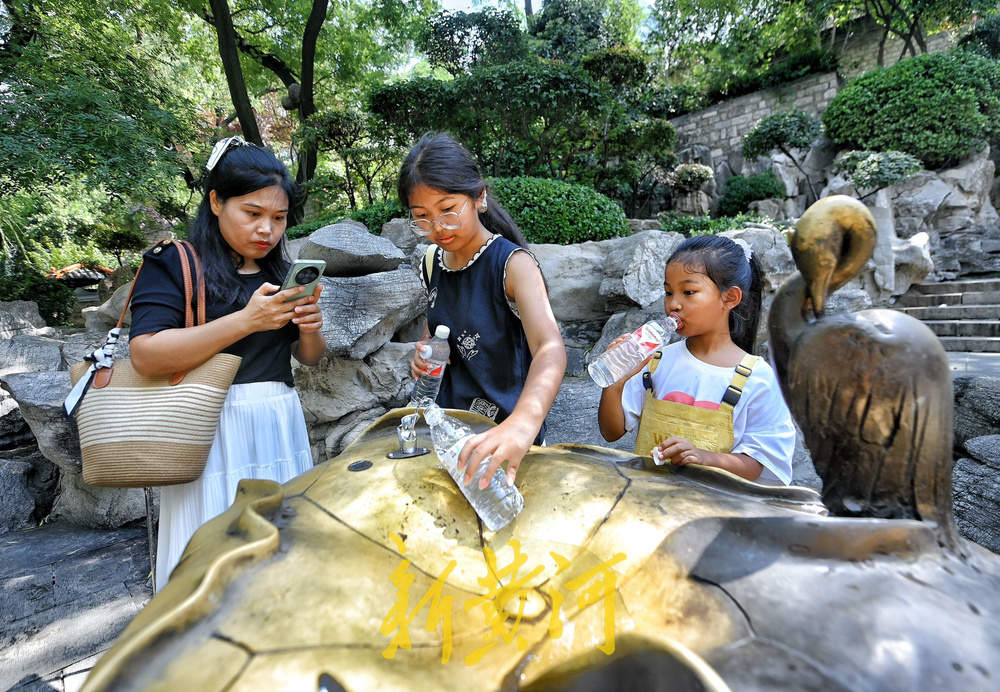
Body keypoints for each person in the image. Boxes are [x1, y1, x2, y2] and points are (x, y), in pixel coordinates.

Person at [128, 137, 325, 591]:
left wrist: (311, 325)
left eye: (278, 219)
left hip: (278, 422)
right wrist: (245, 321)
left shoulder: (280, 272)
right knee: (211, 564)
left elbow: (308, 358)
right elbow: (146, 354)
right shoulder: (175, 262)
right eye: (252, 213)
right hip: (210, 430)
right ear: (216, 201)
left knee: (279, 562)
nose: (267, 230)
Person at [401, 132, 566, 490]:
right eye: (422, 217)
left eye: (447, 210)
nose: (438, 228)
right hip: (447, 429)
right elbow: (439, 329)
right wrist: (425, 352)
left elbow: (549, 349)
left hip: (501, 437)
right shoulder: (432, 262)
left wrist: (523, 425)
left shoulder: (512, 265)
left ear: (479, 197)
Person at [597, 234, 795, 484]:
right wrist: (614, 383)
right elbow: (611, 432)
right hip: (646, 504)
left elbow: (759, 463)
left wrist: (704, 458)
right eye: (668, 292)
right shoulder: (657, 361)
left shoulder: (758, 379)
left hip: (714, 512)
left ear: (730, 298)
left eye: (688, 292)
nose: (673, 304)